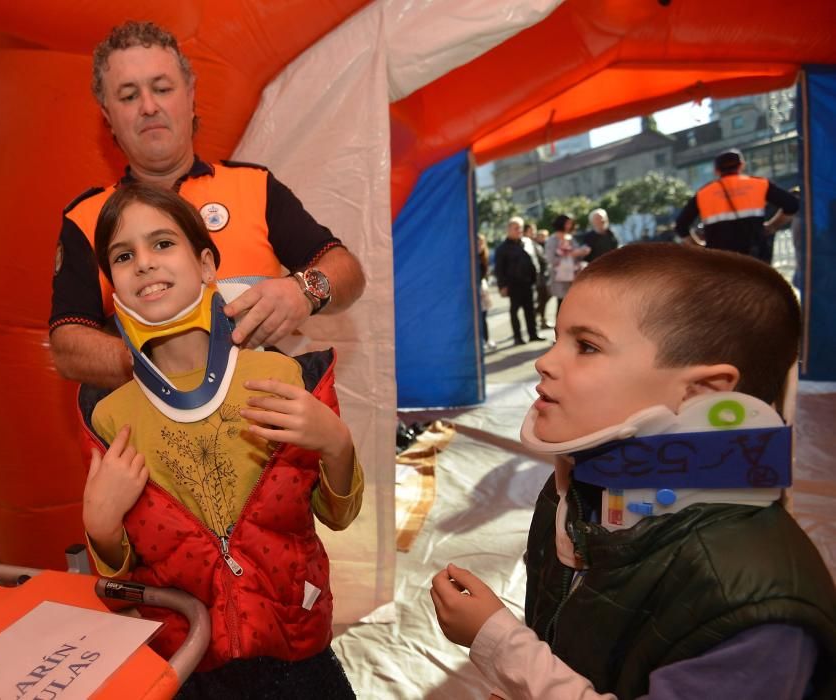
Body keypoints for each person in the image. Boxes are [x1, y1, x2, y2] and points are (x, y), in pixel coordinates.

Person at [431, 243, 836, 699]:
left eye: (585, 345)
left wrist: (501, 646)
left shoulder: (757, 609)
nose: (545, 361)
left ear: (701, 393)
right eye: (557, 338)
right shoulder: (577, 492)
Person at [81, 183, 363, 697]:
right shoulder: (109, 416)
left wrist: (337, 444)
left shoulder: (282, 375)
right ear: (114, 287)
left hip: (300, 655)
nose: (144, 262)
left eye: (163, 244)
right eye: (124, 255)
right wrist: (100, 527)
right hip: (191, 667)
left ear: (208, 265)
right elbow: (122, 577)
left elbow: (338, 515)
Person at [50, 21, 366, 388]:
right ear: (108, 115)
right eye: (128, 95)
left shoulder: (255, 186)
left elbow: (346, 270)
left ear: (190, 94)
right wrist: (159, 363)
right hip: (153, 434)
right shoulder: (86, 217)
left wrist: (304, 291)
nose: (149, 107)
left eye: (162, 88)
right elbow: (67, 345)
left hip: (271, 421)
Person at [674, 148, 800, 258]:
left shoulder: (703, 194)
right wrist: (772, 226)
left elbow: (681, 226)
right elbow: (792, 205)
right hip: (756, 257)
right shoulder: (759, 185)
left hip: (721, 261)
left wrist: (699, 247)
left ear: (716, 171)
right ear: (741, 165)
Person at [494, 217, 543, 347]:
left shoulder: (527, 242)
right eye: (516, 228)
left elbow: (534, 261)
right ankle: (517, 337)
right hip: (513, 285)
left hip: (528, 283)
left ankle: (533, 334)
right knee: (514, 311)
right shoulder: (502, 249)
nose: (519, 230)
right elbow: (499, 269)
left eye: (520, 227)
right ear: (508, 229)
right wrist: (502, 286)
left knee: (530, 310)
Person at [544, 214, 589, 309]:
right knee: (562, 304)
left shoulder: (570, 238)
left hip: (573, 276)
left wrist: (582, 252)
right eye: (567, 223)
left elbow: (576, 255)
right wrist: (570, 255)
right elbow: (550, 259)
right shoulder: (552, 240)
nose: (570, 226)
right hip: (560, 278)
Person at [477, 234, 496, 351]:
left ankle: (486, 339)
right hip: (473, 290)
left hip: (482, 288)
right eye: (477, 243)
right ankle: (480, 340)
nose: (479, 245)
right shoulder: (470, 257)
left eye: (481, 243)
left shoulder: (484, 256)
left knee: (483, 316)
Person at [532, 228, 552, 329]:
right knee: (542, 299)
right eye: (542, 236)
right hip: (540, 278)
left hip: (547, 277)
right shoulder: (536, 246)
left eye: (546, 236)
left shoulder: (545, 246)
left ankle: (538, 315)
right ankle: (538, 317)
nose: (544, 238)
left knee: (546, 298)